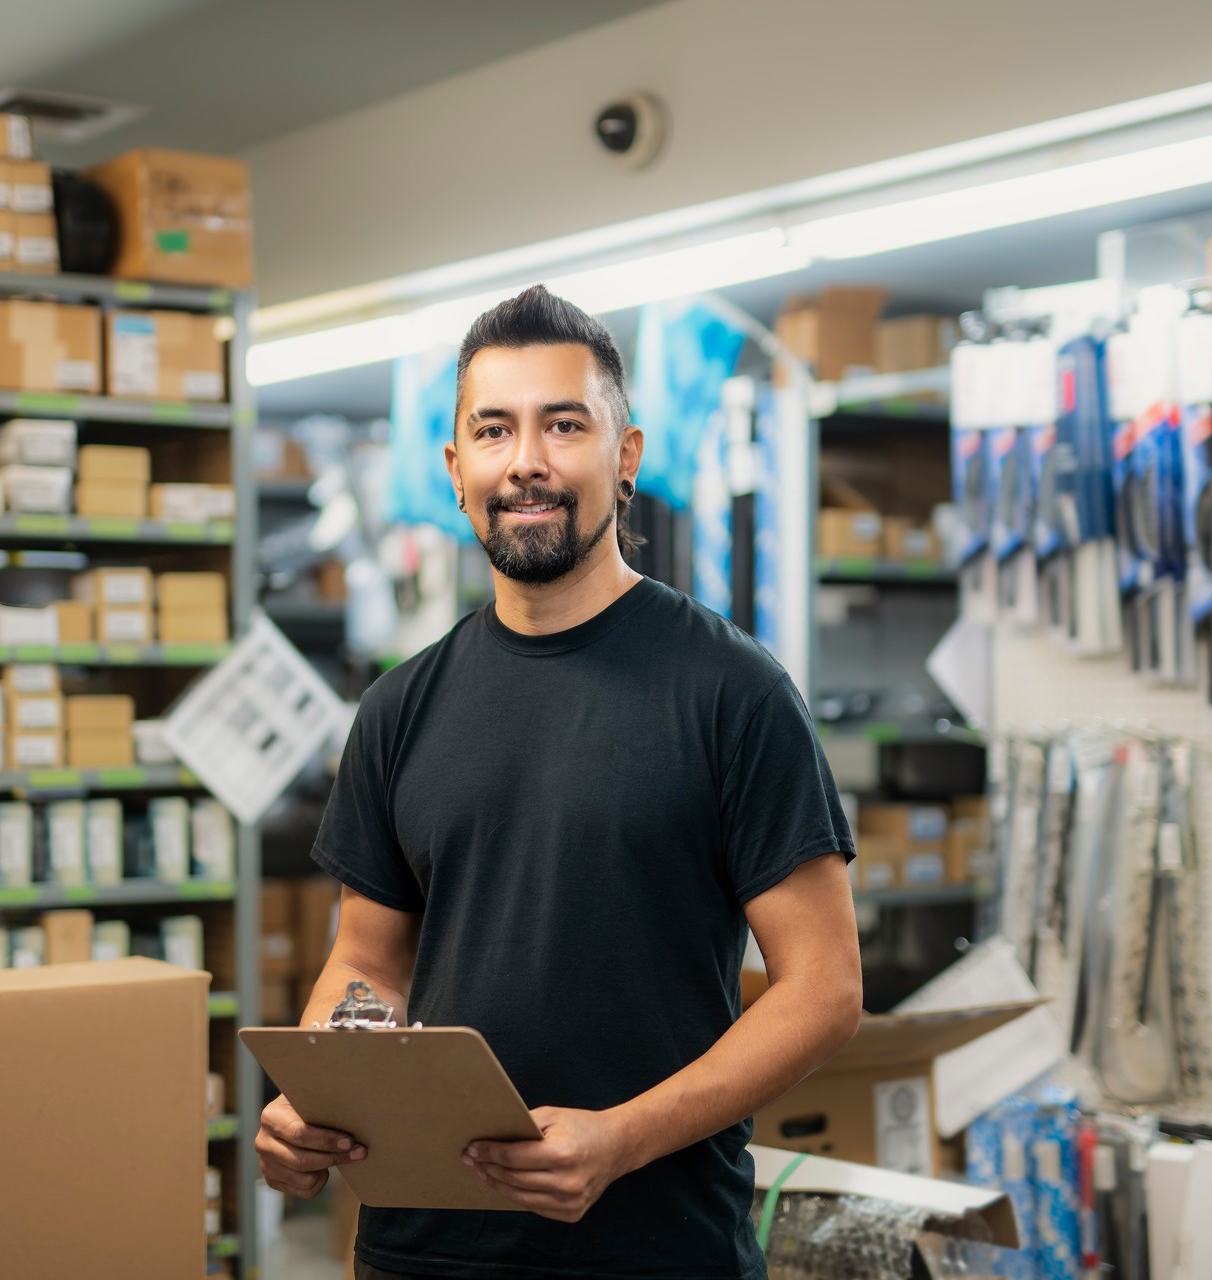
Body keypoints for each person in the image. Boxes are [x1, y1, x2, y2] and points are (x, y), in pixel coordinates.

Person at [256, 285, 862, 1280]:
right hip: (423, 1250)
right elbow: (369, 964)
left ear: (624, 457)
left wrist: (620, 1136)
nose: (526, 459)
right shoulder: (400, 707)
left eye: (563, 424)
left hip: (654, 1248)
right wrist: (324, 1093)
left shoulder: (732, 692)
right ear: (456, 470)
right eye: (493, 429)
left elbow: (826, 988)